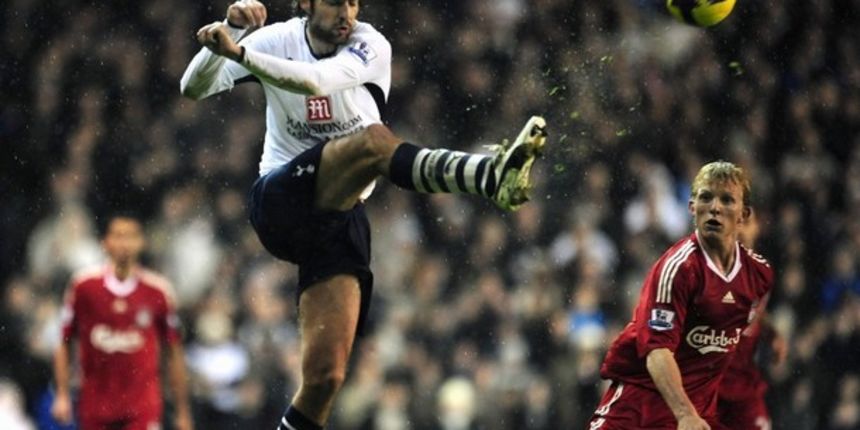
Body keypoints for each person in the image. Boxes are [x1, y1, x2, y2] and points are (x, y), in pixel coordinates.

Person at [179, 1, 547, 429]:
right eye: (335, 2)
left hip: (340, 217)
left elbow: (317, 81)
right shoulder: (276, 40)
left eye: (353, 2)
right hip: (282, 202)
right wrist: (229, 33)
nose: (346, 13)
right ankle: (487, 175)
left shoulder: (371, 45)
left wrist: (241, 54)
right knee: (373, 142)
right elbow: (193, 87)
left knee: (325, 379)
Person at [588, 161, 773, 430]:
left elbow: (731, 324)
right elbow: (658, 352)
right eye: (706, 197)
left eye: (726, 200)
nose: (715, 207)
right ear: (691, 207)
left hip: (697, 414)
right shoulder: (678, 269)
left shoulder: (759, 274)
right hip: (640, 406)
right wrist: (685, 414)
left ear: (743, 215)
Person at [51, 214, 193, 430]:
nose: (124, 243)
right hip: (95, 403)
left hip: (142, 405)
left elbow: (173, 350)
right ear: (105, 242)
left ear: (141, 242)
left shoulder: (158, 291)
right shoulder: (84, 287)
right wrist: (62, 394)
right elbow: (64, 341)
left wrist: (183, 411)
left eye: (130, 236)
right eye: (117, 236)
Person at [716, 210, 787, 430]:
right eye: (735, 222)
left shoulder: (762, 273)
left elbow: (756, 312)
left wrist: (772, 333)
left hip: (743, 384)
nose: (741, 228)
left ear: (757, 227)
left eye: (747, 222)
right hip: (707, 384)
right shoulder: (709, 271)